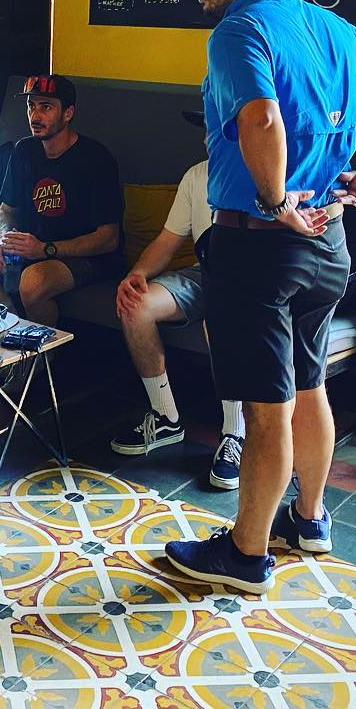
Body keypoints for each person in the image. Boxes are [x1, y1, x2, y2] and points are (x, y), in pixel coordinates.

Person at [163, 0, 356, 594]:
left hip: (261, 248)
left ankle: (246, 554)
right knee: (309, 386)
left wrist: (276, 200)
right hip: (330, 244)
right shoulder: (331, 27)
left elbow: (261, 118)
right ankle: (309, 520)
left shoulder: (239, 30)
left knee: (266, 408)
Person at [112, 158, 247, 490]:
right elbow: (167, 241)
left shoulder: (263, 171)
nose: (213, 137)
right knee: (135, 305)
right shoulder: (196, 175)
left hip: (250, 279)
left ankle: (235, 434)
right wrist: (137, 274)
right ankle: (165, 419)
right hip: (204, 272)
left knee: (222, 314)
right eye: (211, 132)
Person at [0, 75, 124, 325]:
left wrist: (45, 249)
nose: (35, 116)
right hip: (33, 245)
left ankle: (42, 346)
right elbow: (5, 211)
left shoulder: (95, 159)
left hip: (86, 256)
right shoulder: (24, 151)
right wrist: (3, 239)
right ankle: (10, 323)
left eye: (46, 107)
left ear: (68, 113)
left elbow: (108, 239)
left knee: (32, 282)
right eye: (31, 106)